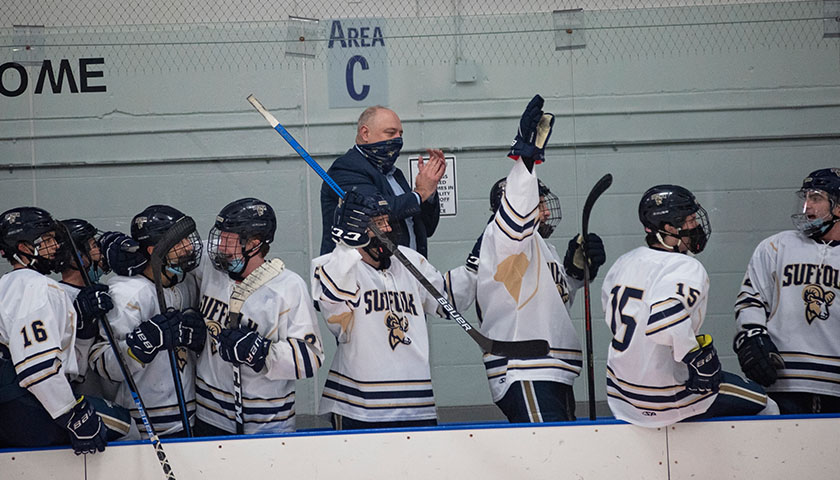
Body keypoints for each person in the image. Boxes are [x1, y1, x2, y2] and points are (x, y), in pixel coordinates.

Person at [467, 95, 606, 423]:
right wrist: (524, 160)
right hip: (525, 371)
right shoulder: (503, 240)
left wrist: (576, 270)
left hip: (554, 371)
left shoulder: (543, 249)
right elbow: (515, 211)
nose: (544, 210)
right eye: (537, 202)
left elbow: (549, 299)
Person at [602, 185, 778, 427]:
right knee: (766, 404)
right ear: (669, 228)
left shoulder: (624, 262)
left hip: (623, 396)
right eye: (691, 220)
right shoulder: (684, 266)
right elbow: (664, 322)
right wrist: (695, 356)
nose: (696, 226)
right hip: (667, 394)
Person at [312, 191, 451, 429]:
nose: (387, 229)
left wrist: (481, 263)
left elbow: (447, 303)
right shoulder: (334, 267)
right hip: (358, 406)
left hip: (417, 404)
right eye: (377, 224)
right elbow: (333, 313)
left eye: (387, 221)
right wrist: (347, 246)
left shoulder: (410, 260)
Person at [0, 207, 130, 453]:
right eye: (47, 239)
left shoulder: (5, 284)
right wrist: (71, 416)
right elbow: (37, 370)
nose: (56, 245)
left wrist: (83, 327)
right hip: (22, 407)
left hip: (10, 409)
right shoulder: (39, 288)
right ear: (24, 248)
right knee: (123, 423)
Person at [193, 198, 324, 435]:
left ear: (253, 243)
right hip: (207, 415)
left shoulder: (288, 287)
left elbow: (310, 359)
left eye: (227, 239)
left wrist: (261, 352)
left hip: (268, 425)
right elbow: (173, 249)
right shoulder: (211, 266)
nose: (217, 244)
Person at [88, 205, 203, 437]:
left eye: (187, 240)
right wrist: (138, 347)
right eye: (179, 243)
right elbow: (100, 363)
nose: (189, 247)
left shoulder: (187, 283)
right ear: (153, 250)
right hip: (144, 425)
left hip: (190, 418)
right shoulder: (126, 293)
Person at [734, 168, 840, 414]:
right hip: (785, 380)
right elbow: (751, 300)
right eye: (805, 198)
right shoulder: (776, 246)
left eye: (816, 198)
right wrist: (752, 336)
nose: (806, 206)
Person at [319, 105, 445, 258]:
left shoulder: (395, 174)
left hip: (407, 273)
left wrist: (429, 190)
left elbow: (426, 229)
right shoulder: (346, 168)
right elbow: (374, 211)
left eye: (400, 134)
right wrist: (420, 194)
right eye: (390, 133)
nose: (398, 139)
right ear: (365, 133)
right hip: (361, 274)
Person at [56, 218, 119, 400]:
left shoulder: (99, 290)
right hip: (80, 395)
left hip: (107, 392)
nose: (99, 252)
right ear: (76, 255)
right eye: (93, 246)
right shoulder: (60, 296)